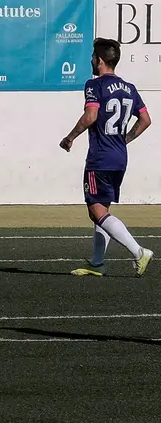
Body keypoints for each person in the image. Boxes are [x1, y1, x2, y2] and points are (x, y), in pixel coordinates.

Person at [60, 37, 153, 277]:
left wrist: (70, 137)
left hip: (100, 157)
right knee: (103, 209)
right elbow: (145, 120)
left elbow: (91, 116)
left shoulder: (94, 85)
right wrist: (125, 139)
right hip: (120, 157)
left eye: (92, 57)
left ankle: (138, 251)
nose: (91, 60)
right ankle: (97, 263)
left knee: (95, 210)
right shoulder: (129, 88)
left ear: (99, 60)